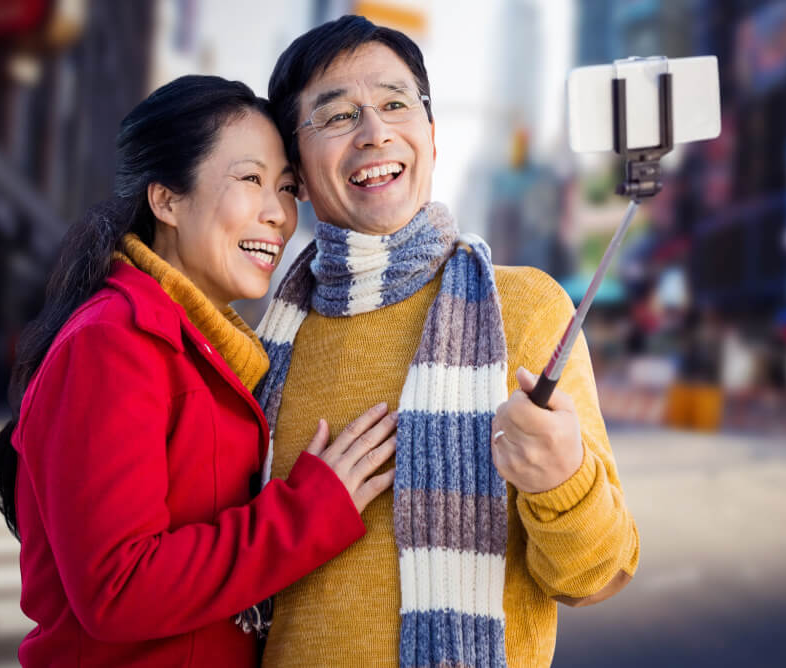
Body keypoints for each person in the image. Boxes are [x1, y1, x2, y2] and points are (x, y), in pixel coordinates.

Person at [250, 15, 640, 667]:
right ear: (295, 164)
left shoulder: (528, 307)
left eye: (395, 104)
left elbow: (597, 574)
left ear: (430, 136)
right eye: (338, 115)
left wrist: (562, 480)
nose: (375, 133)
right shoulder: (266, 345)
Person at [0, 75, 398, 667]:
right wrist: (311, 512)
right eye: (250, 179)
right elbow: (117, 587)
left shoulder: (207, 349)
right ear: (167, 200)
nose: (278, 212)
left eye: (284, 187)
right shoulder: (112, 342)